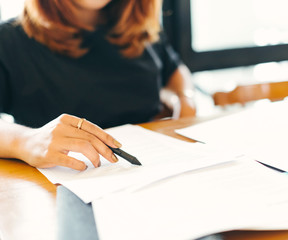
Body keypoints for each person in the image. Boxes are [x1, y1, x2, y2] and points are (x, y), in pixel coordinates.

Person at [0, 0, 196, 171]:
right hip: (58, 184)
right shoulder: (9, 39)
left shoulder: (139, 28)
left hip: (152, 169)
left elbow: (174, 70)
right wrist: (27, 140)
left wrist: (184, 97)